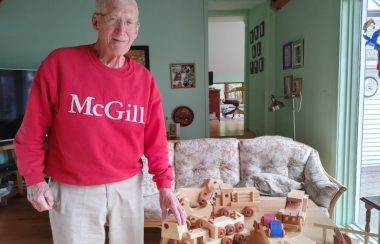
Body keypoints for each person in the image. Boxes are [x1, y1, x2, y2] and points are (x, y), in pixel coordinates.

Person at [13, 0, 186, 243]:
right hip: (73, 189)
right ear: (96, 21)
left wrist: (165, 186)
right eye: (114, 19)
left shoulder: (145, 81)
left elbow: (156, 141)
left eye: (129, 22)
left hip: (127, 187)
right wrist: (34, 179)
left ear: (137, 30)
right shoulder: (60, 64)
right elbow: (31, 132)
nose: (121, 30)